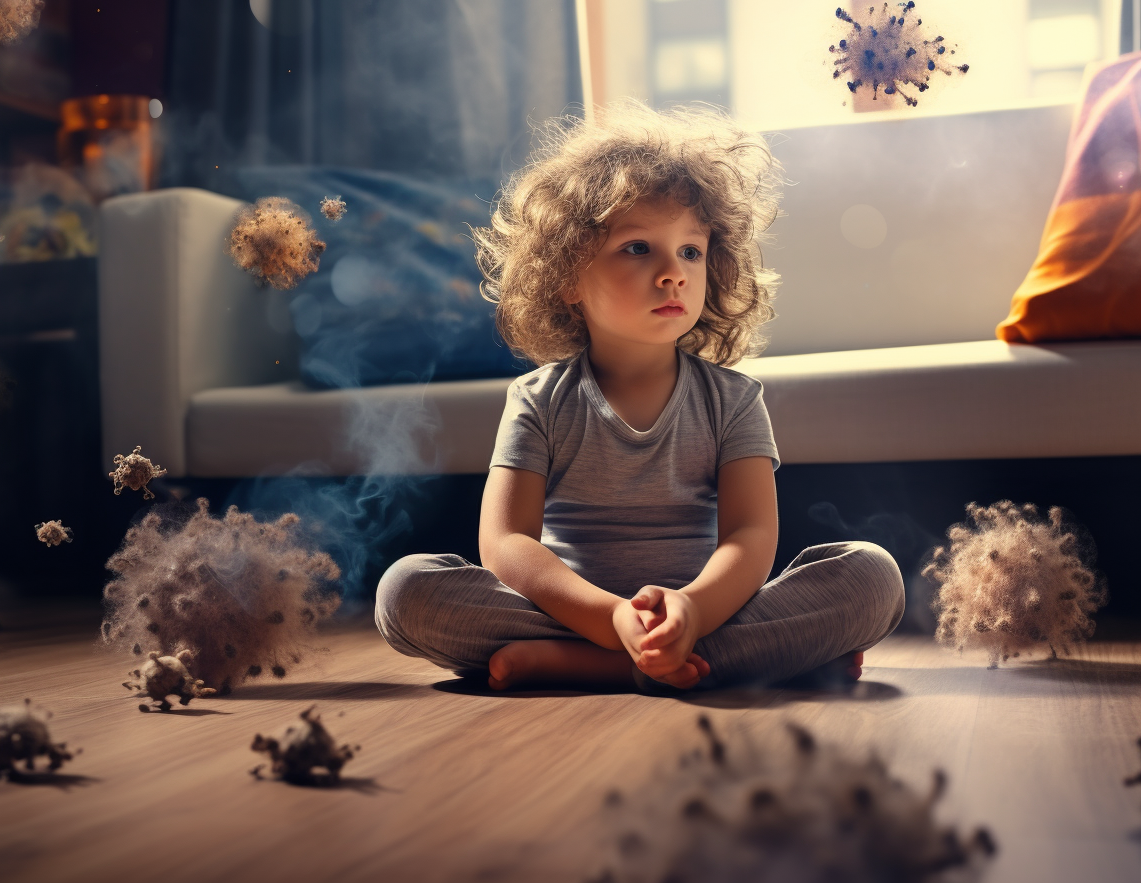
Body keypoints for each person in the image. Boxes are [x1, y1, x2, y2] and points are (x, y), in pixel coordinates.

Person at [375, 101, 904, 693]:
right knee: (405, 589)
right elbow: (506, 543)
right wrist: (610, 618)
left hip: (709, 612)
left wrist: (694, 611)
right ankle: (723, 660)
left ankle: (602, 666)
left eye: (690, 251)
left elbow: (751, 536)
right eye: (637, 248)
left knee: (872, 576)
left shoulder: (733, 400)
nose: (673, 272)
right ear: (566, 275)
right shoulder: (537, 400)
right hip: (574, 615)